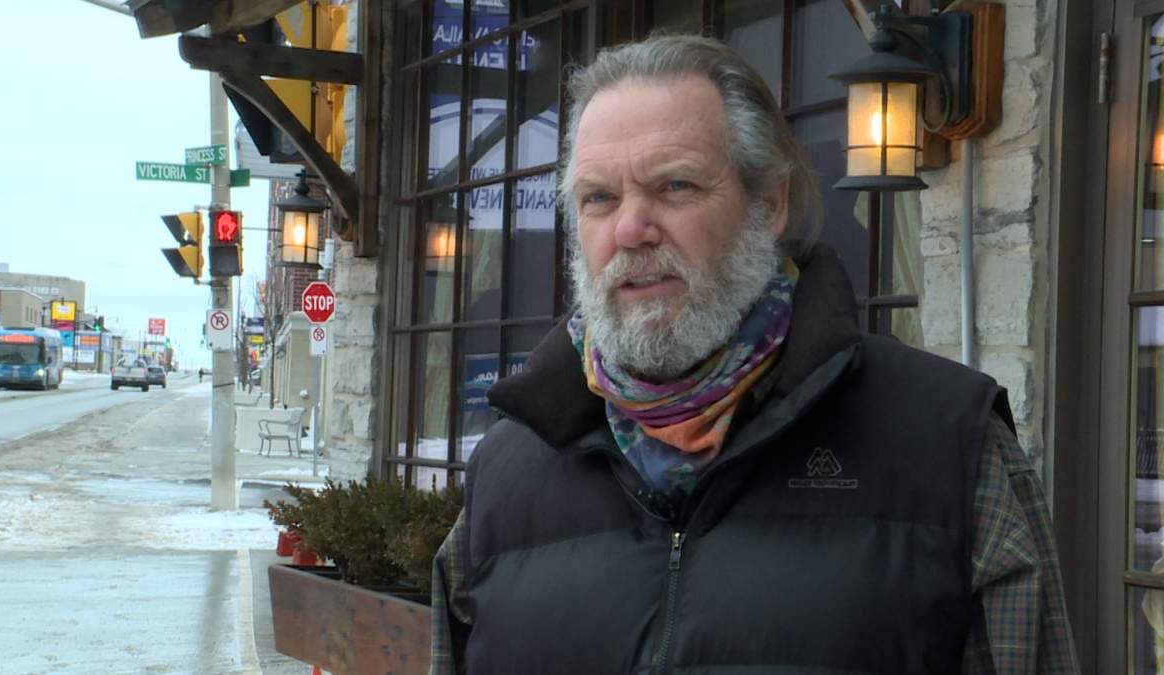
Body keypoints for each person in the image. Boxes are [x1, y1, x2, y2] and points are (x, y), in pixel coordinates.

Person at [430, 35, 1078, 674]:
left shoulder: (949, 447)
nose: (629, 229)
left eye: (676, 185)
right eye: (598, 198)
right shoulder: (505, 473)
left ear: (770, 204)